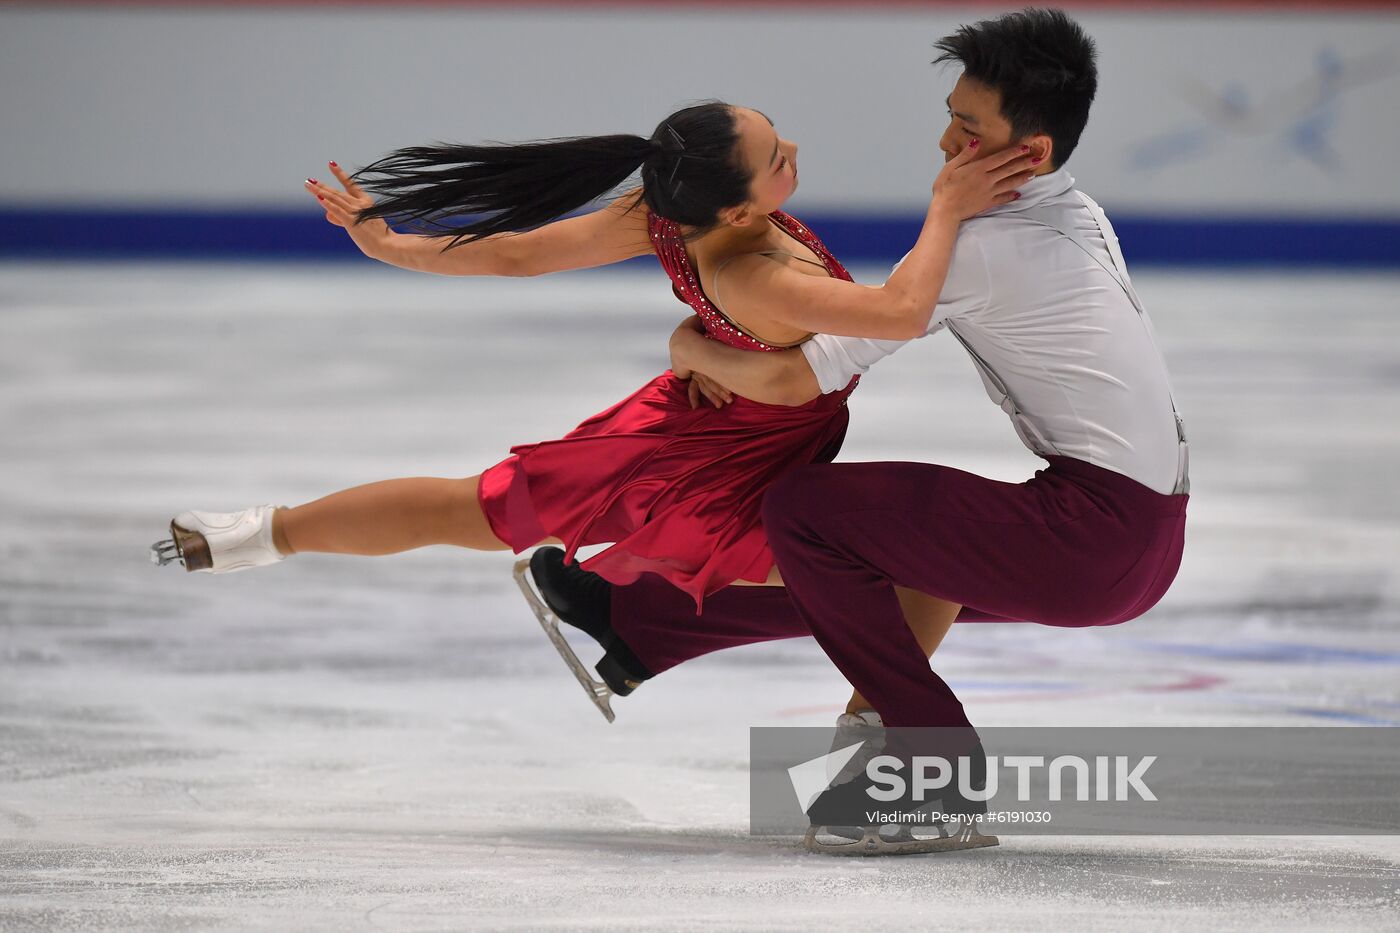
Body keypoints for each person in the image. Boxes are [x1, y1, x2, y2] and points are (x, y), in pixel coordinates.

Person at [528, 8, 1190, 853]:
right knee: (889, 548)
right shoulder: (1076, 212)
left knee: (808, 509)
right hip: (1134, 540)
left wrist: (690, 346)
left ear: (1032, 154)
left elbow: (800, 375)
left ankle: (933, 774)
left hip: (1094, 535)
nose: (946, 146)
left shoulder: (985, 248)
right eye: (950, 117)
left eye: (968, 130)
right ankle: (644, 623)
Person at [149, 101, 1037, 712]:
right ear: (735, 203)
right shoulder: (755, 270)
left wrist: (392, 246)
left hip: (705, 420)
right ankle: (877, 766)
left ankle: (263, 533)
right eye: (777, 157)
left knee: (480, 505)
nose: (794, 152)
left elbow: (514, 256)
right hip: (712, 461)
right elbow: (900, 314)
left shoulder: (664, 211)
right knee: (906, 568)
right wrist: (948, 204)